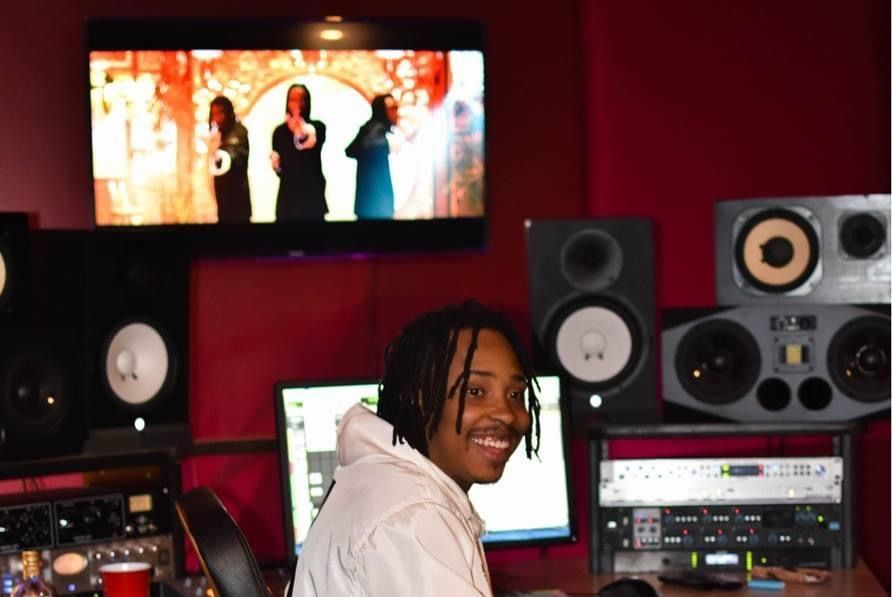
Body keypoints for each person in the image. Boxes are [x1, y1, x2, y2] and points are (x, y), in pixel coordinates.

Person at [290, 300, 542, 596]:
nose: (506, 414)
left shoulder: (386, 486)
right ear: (421, 398)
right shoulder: (414, 517)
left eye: (515, 394)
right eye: (475, 391)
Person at [270, 84, 328, 220]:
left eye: (301, 99)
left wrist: (298, 129)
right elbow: (280, 169)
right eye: (293, 100)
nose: (297, 104)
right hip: (287, 198)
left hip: (312, 196)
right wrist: (276, 165)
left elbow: (310, 144)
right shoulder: (279, 132)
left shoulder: (318, 127)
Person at [345, 94, 399, 219]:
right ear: (382, 110)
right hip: (376, 208)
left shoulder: (372, 130)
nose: (396, 112)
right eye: (392, 108)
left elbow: (351, 150)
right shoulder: (375, 132)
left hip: (371, 205)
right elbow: (351, 150)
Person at [207, 96, 251, 223]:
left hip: (238, 203)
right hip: (223, 202)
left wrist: (216, 149)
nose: (217, 119)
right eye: (213, 114)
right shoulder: (218, 134)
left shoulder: (239, 132)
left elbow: (229, 161)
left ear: (228, 113)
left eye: (220, 113)